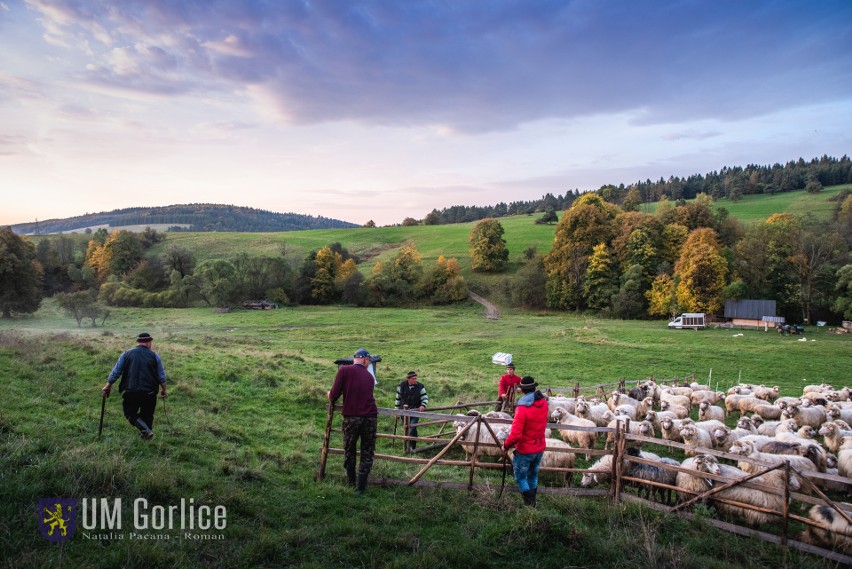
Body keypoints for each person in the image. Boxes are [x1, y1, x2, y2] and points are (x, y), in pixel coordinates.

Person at [327, 348, 378, 493]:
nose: (369, 364)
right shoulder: (369, 377)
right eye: (369, 361)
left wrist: (328, 394)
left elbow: (333, 395)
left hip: (352, 417)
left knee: (349, 448)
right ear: (365, 359)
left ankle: (351, 482)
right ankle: (361, 487)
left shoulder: (344, 371)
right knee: (367, 450)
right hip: (370, 417)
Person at [101, 332, 167, 440]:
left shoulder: (126, 354)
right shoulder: (155, 356)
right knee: (148, 415)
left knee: (130, 413)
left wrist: (107, 386)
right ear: (149, 343)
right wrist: (164, 390)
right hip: (150, 392)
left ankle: (145, 433)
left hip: (131, 391)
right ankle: (146, 434)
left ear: (138, 342)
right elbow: (161, 376)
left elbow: (116, 372)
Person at [501, 376, 547, 507]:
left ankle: (530, 505)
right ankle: (533, 502)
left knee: (521, 478)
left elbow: (515, 434)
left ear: (522, 390)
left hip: (525, 450)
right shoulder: (543, 403)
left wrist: (505, 445)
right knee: (533, 475)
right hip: (539, 447)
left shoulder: (522, 408)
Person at [395, 371, 428, 451]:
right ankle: (409, 446)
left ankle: (412, 446)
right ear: (408, 379)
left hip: (415, 411)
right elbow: (398, 399)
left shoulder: (420, 387)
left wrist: (423, 405)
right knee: (406, 429)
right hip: (404, 412)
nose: (415, 380)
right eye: (413, 379)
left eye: (415, 378)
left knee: (412, 428)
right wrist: (396, 411)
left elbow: (425, 397)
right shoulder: (401, 386)